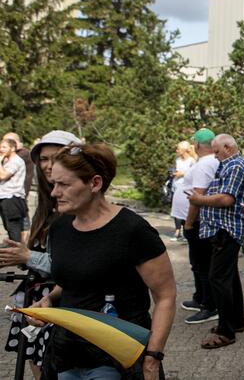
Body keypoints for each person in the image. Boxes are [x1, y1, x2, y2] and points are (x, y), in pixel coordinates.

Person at [33, 143, 176, 380]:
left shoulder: (132, 230)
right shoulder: (60, 228)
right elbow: (73, 280)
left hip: (117, 360)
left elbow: (166, 296)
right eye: (53, 183)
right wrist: (48, 299)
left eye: (64, 184)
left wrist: (152, 358)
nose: (54, 193)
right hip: (67, 355)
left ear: (95, 183)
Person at [0, 130, 80, 379]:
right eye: (43, 159)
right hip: (38, 300)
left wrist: (27, 258)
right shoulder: (47, 203)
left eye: (56, 157)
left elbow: (78, 264)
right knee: (37, 362)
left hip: (65, 302)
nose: (48, 165)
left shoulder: (76, 205)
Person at [189, 134, 244, 349]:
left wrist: (199, 200)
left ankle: (226, 331)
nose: (215, 156)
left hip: (226, 229)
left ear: (227, 147)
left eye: (217, 151)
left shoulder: (234, 166)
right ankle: (235, 322)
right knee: (229, 277)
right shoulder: (228, 163)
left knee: (218, 278)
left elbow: (227, 199)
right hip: (222, 229)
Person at [177, 129, 221, 324]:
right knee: (197, 263)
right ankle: (200, 297)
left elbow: (198, 197)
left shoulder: (205, 164)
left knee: (202, 264)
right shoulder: (206, 162)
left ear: (196, 145)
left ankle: (209, 305)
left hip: (196, 222)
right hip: (194, 221)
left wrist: (188, 222)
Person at [0, 137, 27, 243]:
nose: (1, 149)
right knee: (8, 227)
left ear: (12, 148)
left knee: (13, 228)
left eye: (4, 147)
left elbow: (3, 176)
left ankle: (17, 255)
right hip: (4, 197)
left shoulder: (16, 161)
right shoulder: (6, 161)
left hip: (12, 198)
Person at [170, 141, 197, 241]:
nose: (177, 150)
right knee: (176, 208)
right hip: (177, 186)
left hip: (186, 187)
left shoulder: (192, 161)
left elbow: (194, 173)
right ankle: (177, 231)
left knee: (186, 209)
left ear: (184, 150)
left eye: (178, 149)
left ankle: (187, 231)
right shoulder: (178, 160)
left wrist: (183, 174)